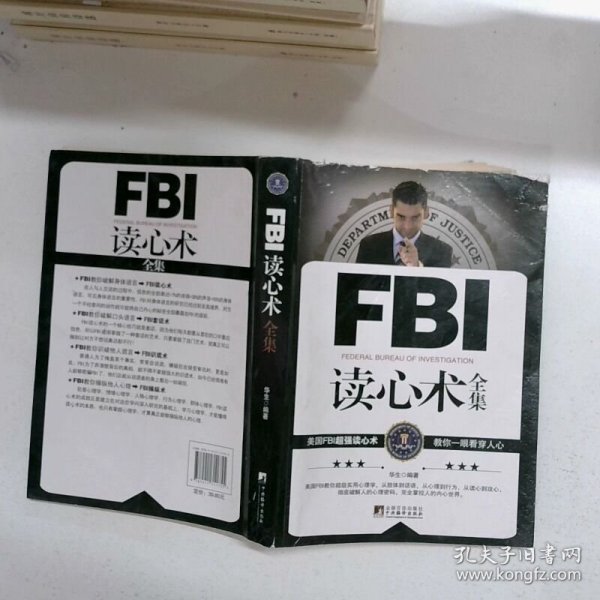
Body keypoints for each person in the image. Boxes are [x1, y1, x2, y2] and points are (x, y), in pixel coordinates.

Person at [356, 181, 452, 268]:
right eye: (401, 217)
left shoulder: (442, 251)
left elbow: (439, 283)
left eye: (415, 217)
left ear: (426, 212)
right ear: (391, 211)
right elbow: (359, 281)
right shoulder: (369, 245)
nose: (407, 226)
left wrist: (417, 267)